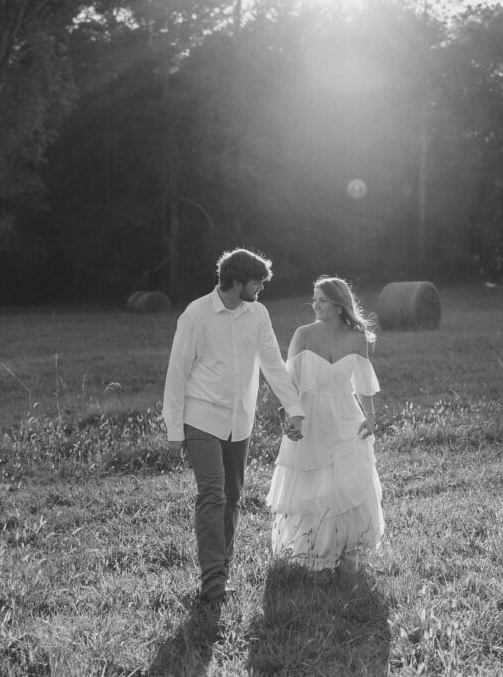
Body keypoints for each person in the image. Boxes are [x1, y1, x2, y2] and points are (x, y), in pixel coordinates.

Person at [163, 248, 305, 604]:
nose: (261, 288)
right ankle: (212, 583)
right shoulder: (195, 315)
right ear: (237, 281)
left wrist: (294, 408)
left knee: (233, 499)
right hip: (201, 419)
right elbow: (177, 371)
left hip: (240, 421)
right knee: (212, 494)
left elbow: (273, 363)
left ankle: (221, 571)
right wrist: (173, 429)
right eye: (257, 282)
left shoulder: (257, 314)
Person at [266, 276, 385, 580]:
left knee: (347, 483)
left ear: (338, 304)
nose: (315, 305)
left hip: (346, 416)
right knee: (314, 486)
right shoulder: (303, 334)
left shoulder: (357, 337)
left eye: (322, 300)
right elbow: (287, 383)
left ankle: (349, 553)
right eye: (314, 299)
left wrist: (370, 415)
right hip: (310, 416)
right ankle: (314, 556)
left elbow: (363, 383)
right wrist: (288, 417)